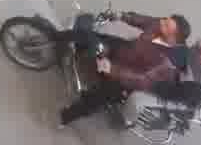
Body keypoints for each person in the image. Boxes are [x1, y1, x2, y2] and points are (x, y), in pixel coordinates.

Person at [59, 11, 191, 125]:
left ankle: (66, 117)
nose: (161, 22)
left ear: (173, 39)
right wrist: (123, 16)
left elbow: (141, 79)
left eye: (166, 25)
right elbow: (144, 20)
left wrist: (112, 70)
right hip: (126, 50)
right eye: (165, 20)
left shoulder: (166, 63)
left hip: (128, 77)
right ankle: (59, 39)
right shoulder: (160, 25)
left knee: (98, 97)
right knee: (92, 37)